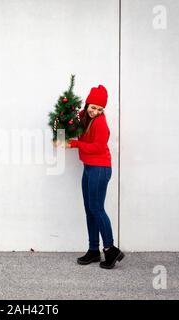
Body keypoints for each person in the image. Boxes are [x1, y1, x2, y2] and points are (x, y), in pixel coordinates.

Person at [64, 84, 124, 269]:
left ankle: (110, 249)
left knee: (97, 209)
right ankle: (93, 250)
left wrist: (74, 145)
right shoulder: (83, 116)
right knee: (90, 209)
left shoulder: (100, 123)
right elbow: (71, 124)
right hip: (89, 167)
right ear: (88, 103)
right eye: (93, 107)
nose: (95, 112)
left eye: (100, 109)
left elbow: (98, 147)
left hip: (100, 168)